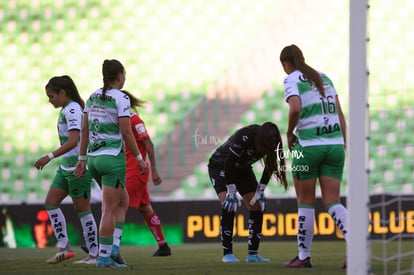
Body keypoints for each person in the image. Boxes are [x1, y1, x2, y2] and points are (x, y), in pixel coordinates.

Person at [279, 44, 348, 268]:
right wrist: (345, 144)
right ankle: (357, 247)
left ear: (285, 64)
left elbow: (296, 108)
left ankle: (303, 256)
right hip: (335, 145)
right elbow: (339, 113)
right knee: (332, 202)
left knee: (305, 202)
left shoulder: (292, 78)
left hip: (307, 146)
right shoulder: (324, 77)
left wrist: (289, 133)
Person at [74, 59, 147, 268]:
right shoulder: (121, 98)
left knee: (122, 201)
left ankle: (114, 247)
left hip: (94, 159)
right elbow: (126, 132)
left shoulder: (92, 96)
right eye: (124, 74)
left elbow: (85, 130)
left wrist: (82, 158)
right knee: (108, 209)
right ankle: (105, 258)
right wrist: (140, 160)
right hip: (112, 158)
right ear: (120, 75)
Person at [34, 75, 99, 265]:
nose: (50, 100)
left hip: (77, 168)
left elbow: (73, 141)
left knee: (83, 210)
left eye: (52, 96)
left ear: (63, 93)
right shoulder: (68, 109)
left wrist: (49, 156)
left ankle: (94, 254)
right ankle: (65, 248)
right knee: (51, 203)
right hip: (66, 167)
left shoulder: (72, 110)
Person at [207, 121, 288, 263]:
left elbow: (271, 165)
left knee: (257, 205)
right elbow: (229, 163)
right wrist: (231, 191)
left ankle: (253, 254)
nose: (265, 151)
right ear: (260, 141)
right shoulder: (245, 136)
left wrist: (261, 189)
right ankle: (227, 254)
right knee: (229, 203)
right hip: (221, 165)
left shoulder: (271, 141)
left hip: (242, 169)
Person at [123, 90, 172, 256]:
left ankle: (103, 246)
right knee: (145, 208)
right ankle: (163, 246)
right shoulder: (121, 122)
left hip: (136, 170)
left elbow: (149, 144)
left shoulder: (134, 120)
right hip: (130, 170)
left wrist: (155, 171)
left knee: (115, 204)